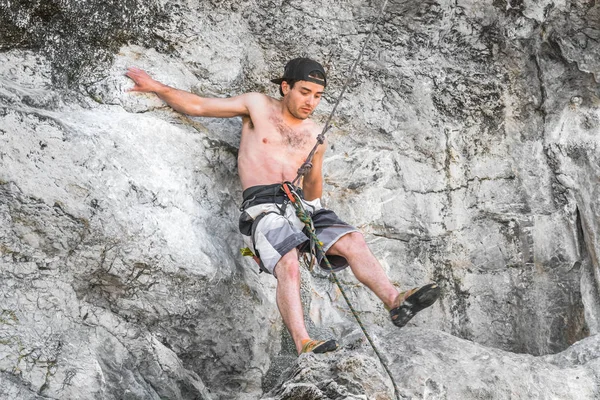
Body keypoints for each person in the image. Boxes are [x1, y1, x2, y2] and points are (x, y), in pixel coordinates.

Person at [126, 58, 440, 355]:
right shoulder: (257, 106)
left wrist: (314, 191)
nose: (311, 101)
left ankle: (395, 301)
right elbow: (198, 105)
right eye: (305, 92)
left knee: (352, 240)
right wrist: (156, 87)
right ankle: (303, 342)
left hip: (301, 204)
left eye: (318, 96)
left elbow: (314, 186)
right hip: (262, 206)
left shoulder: (315, 133)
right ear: (285, 87)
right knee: (288, 263)